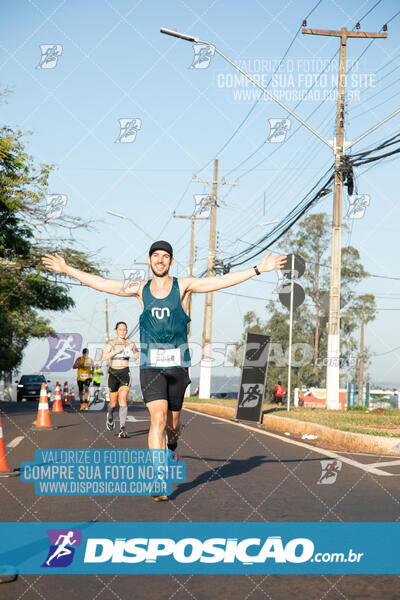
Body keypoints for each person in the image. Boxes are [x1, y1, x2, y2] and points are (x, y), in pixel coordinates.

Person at [42, 242, 286, 501]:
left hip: (178, 366)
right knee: (157, 420)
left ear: (171, 261)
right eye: (156, 256)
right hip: (151, 367)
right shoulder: (140, 289)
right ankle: (158, 477)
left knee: (173, 426)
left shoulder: (184, 286)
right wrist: (68, 270)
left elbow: (221, 281)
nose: (160, 260)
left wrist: (258, 269)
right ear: (149, 260)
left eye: (165, 256)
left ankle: (172, 446)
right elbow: (104, 284)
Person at [100, 322, 139, 438]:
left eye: (124, 330)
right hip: (113, 374)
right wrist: (116, 351)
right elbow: (102, 358)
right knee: (113, 403)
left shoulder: (130, 343)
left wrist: (136, 356)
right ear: (116, 331)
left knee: (123, 400)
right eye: (120, 330)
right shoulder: (111, 343)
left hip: (125, 373)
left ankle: (122, 428)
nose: (123, 332)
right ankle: (110, 415)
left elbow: (136, 351)